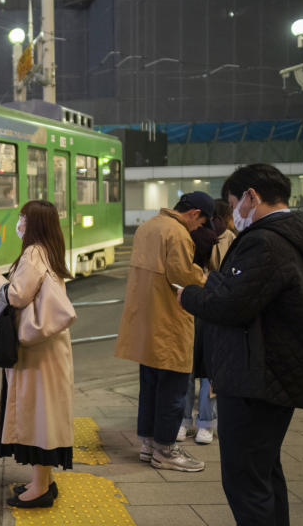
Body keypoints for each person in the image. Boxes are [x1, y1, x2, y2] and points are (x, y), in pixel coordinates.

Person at [179, 164, 303, 525]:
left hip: (255, 378)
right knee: (265, 475)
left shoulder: (265, 241)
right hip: (273, 373)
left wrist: (191, 295)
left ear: (251, 197)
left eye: (233, 202)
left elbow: (231, 304)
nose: (233, 213)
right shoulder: (293, 236)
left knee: (246, 483)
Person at [0, 200, 74, 509]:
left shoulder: (33, 253)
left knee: (38, 416)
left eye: (22, 217)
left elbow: (18, 296)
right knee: (43, 414)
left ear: (32, 223)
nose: (18, 222)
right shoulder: (49, 249)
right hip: (48, 350)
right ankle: (41, 481)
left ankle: (41, 488)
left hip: (37, 353)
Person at [115, 191, 212, 472]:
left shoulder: (148, 226)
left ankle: (147, 445)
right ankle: (165, 450)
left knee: (150, 386)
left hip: (145, 321)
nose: (200, 229)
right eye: (202, 222)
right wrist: (204, 277)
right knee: (173, 389)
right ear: (194, 213)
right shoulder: (178, 233)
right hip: (169, 322)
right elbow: (181, 275)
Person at [179, 202, 235, 446]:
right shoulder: (230, 237)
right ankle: (205, 424)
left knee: (189, 367)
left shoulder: (186, 234)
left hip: (196, 304)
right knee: (207, 369)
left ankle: (184, 422)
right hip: (213, 304)